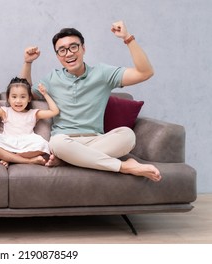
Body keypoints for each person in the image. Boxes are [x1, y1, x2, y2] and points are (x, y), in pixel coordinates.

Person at [20, 21, 162, 182]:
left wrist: (128, 38)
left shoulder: (102, 73)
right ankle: (125, 166)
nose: (68, 53)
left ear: (83, 48)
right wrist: (28, 62)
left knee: (128, 135)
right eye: (62, 50)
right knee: (57, 143)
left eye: (74, 47)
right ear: (58, 56)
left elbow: (145, 72)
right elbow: (24, 94)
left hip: (97, 139)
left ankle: (69, 160)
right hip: (65, 140)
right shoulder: (52, 78)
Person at [0, 77, 59, 167]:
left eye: (23, 97)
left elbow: (54, 111)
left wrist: (45, 94)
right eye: (14, 97)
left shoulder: (33, 113)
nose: (18, 101)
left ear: (29, 98)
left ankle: (10, 159)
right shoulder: (5, 111)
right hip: (7, 141)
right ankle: (30, 161)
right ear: (8, 99)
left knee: (44, 146)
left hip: (27, 142)